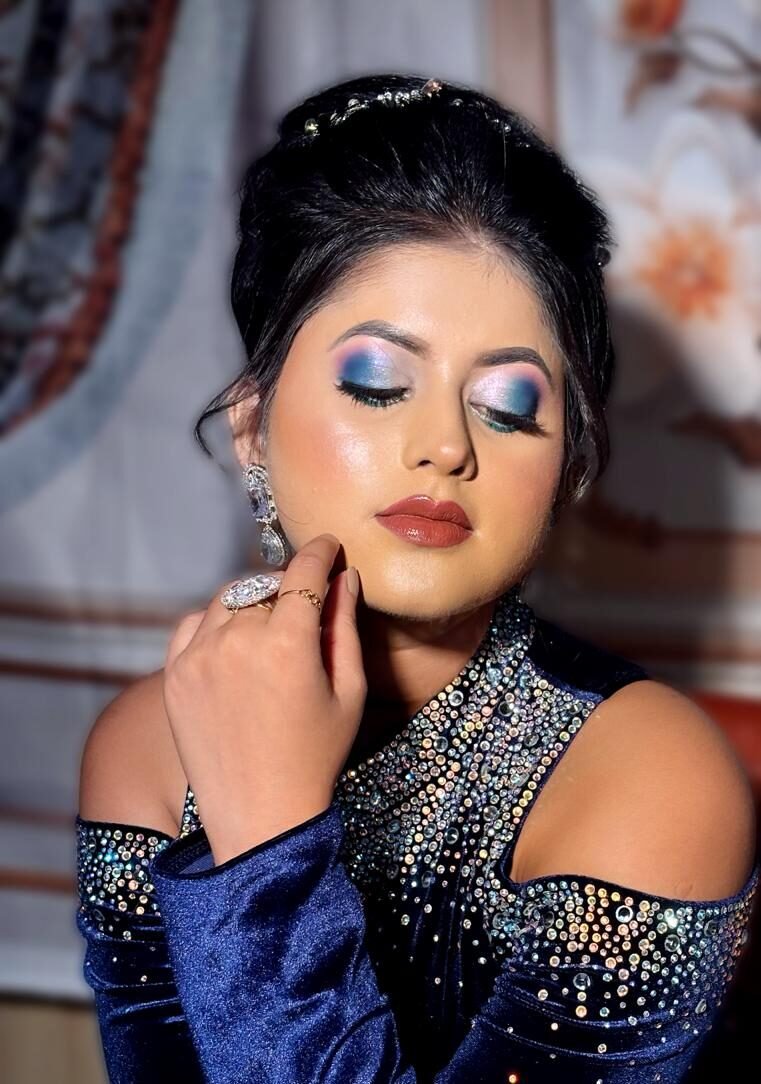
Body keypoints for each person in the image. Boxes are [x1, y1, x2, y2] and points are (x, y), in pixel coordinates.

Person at [75, 74, 759, 1083]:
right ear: (252, 429)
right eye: (375, 383)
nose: (444, 445)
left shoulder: (652, 779)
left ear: (566, 465)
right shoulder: (145, 747)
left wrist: (263, 841)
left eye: (507, 405)